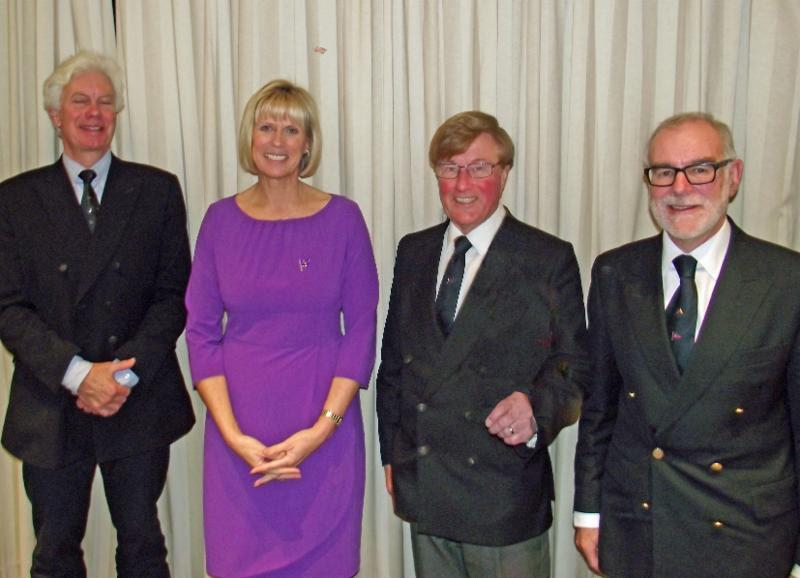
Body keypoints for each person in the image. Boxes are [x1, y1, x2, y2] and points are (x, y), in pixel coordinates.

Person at [573, 112, 800, 577]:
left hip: (745, 536)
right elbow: (601, 407)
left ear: (732, 176)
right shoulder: (615, 272)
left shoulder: (785, 281)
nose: (680, 188)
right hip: (639, 524)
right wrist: (588, 514)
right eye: (663, 172)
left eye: (700, 169)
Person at [0, 50, 194, 577]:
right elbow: (9, 307)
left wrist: (120, 376)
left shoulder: (156, 191)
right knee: (54, 550)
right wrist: (79, 374)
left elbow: (173, 294)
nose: (94, 112)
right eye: (80, 101)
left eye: (106, 102)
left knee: (142, 545)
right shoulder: (14, 199)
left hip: (136, 396)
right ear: (54, 115)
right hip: (51, 401)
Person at [376, 110, 590, 578]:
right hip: (428, 486)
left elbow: (574, 365)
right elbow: (393, 364)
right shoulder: (413, 251)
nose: (462, 182)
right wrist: (392, 454)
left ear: (505, 172)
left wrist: (536, 406)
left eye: (479, 167)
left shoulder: (547, 257)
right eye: (449, 168)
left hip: (503, 494)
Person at [185, 79, 378, 578]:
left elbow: (360, 332)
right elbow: (201, 333)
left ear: (308, 143)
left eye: (291, 129)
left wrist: (319, 433)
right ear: (250, 138)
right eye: (266, 126)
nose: (277, 140)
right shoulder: (219, 221)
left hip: (324, 435)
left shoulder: (344, 219)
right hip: (238, 439)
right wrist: (233, 436)